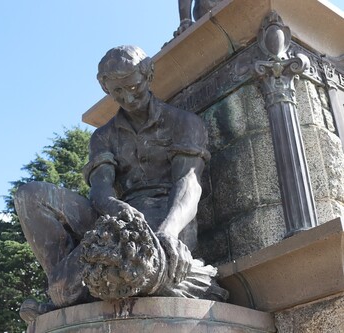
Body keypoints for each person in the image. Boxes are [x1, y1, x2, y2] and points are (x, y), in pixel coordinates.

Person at [15, 45, 222, 323]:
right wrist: (113, 205)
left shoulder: (184, 123)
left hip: (165, 218)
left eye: (133, 87)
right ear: (106, 89)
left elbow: (189, 183)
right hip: (114, 218)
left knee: (73, 289)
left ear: (148, 75)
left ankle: (67, 295)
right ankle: (61, 285)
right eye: (117, 92)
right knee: (29, 195)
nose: (127, 97)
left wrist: (169, 232)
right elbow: (100, 190)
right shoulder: (103, 136)